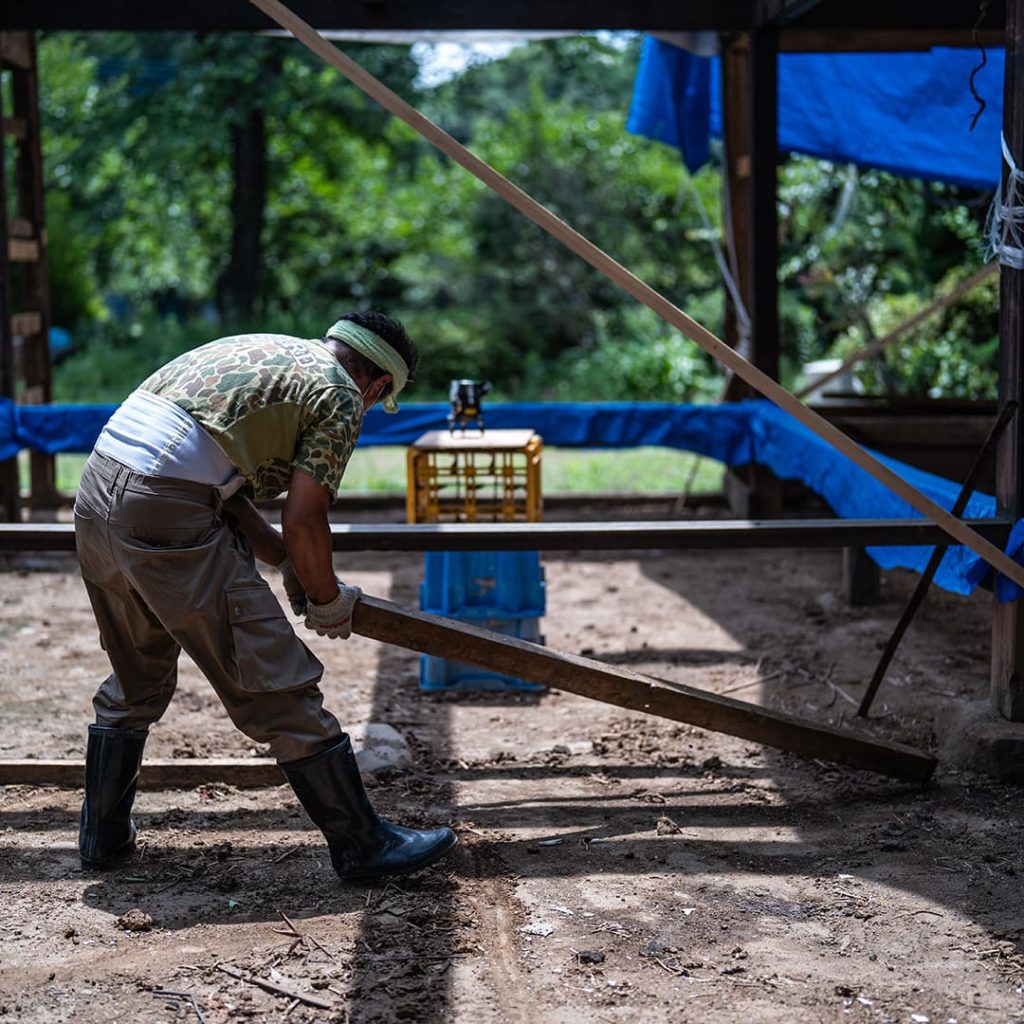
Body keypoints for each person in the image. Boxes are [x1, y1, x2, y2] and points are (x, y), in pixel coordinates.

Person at [73, 311, 458, 883]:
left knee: (137, 670)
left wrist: (290, 568)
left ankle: (102, 835)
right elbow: (305, 517)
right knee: (270, 672)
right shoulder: (341, 394)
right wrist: (328, 599)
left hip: (101, 494)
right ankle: (362, 845)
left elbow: (225, 490)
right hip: (165, 506)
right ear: (377, 386)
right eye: (380, 400)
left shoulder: (262, 352)